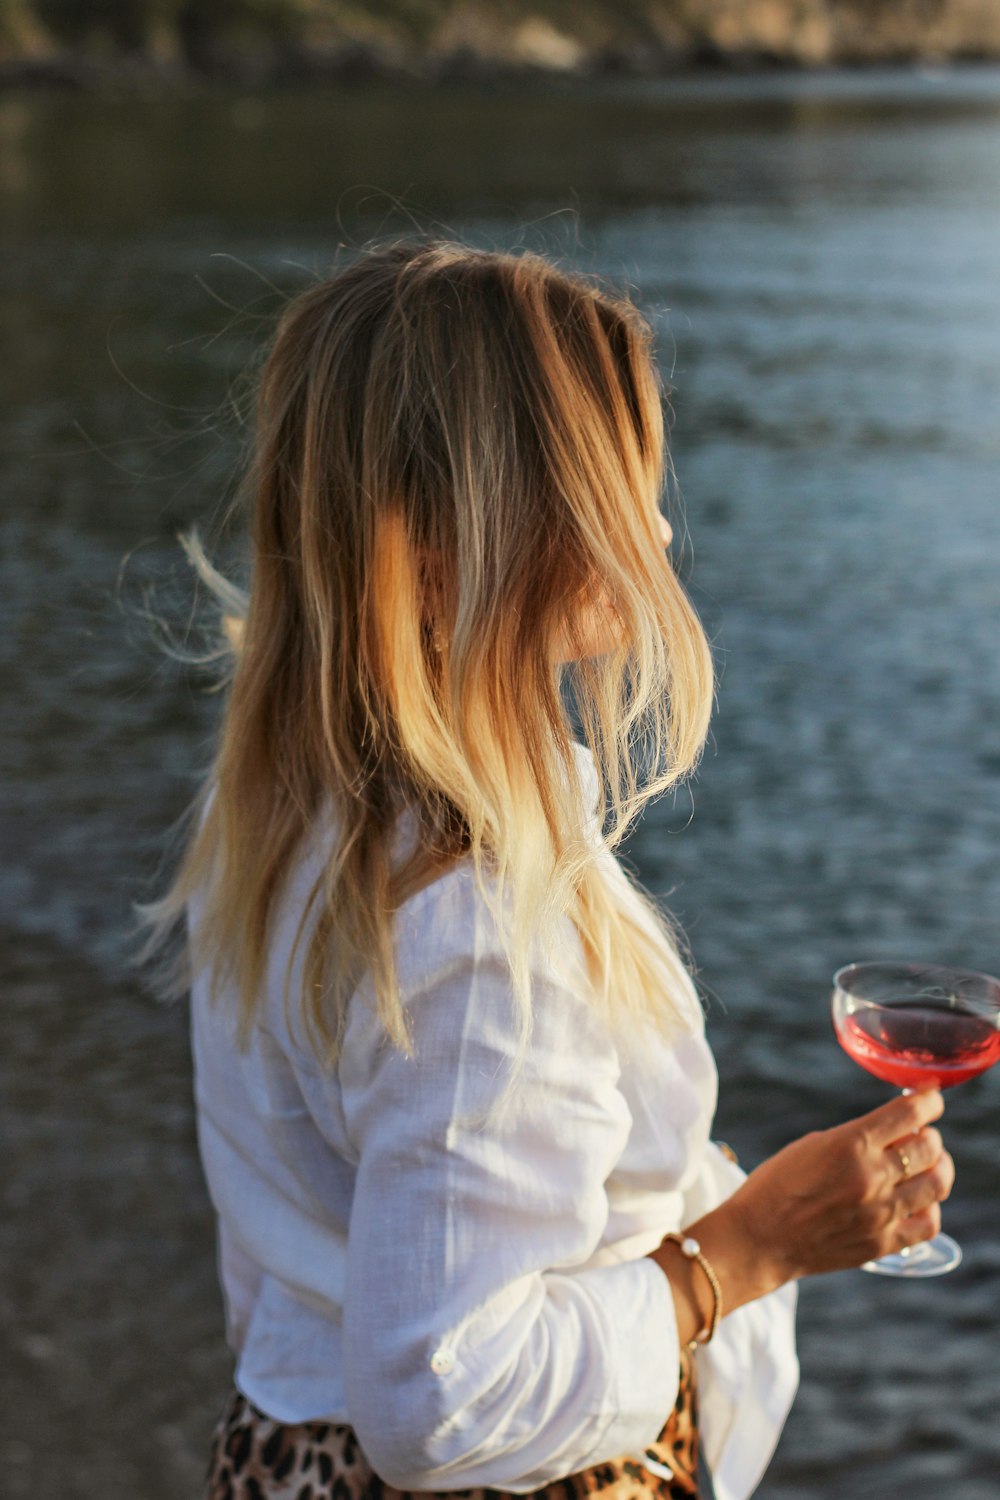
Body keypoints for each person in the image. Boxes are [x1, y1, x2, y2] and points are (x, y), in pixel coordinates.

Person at [132, 238, 955, 1500]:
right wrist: (747, 1249)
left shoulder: (294, 801)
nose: (662, 522)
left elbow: (345, 1234)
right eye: (615, 477)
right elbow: (442, 1397)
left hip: (285, 1450)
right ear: (463, 536)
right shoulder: (470, 915)